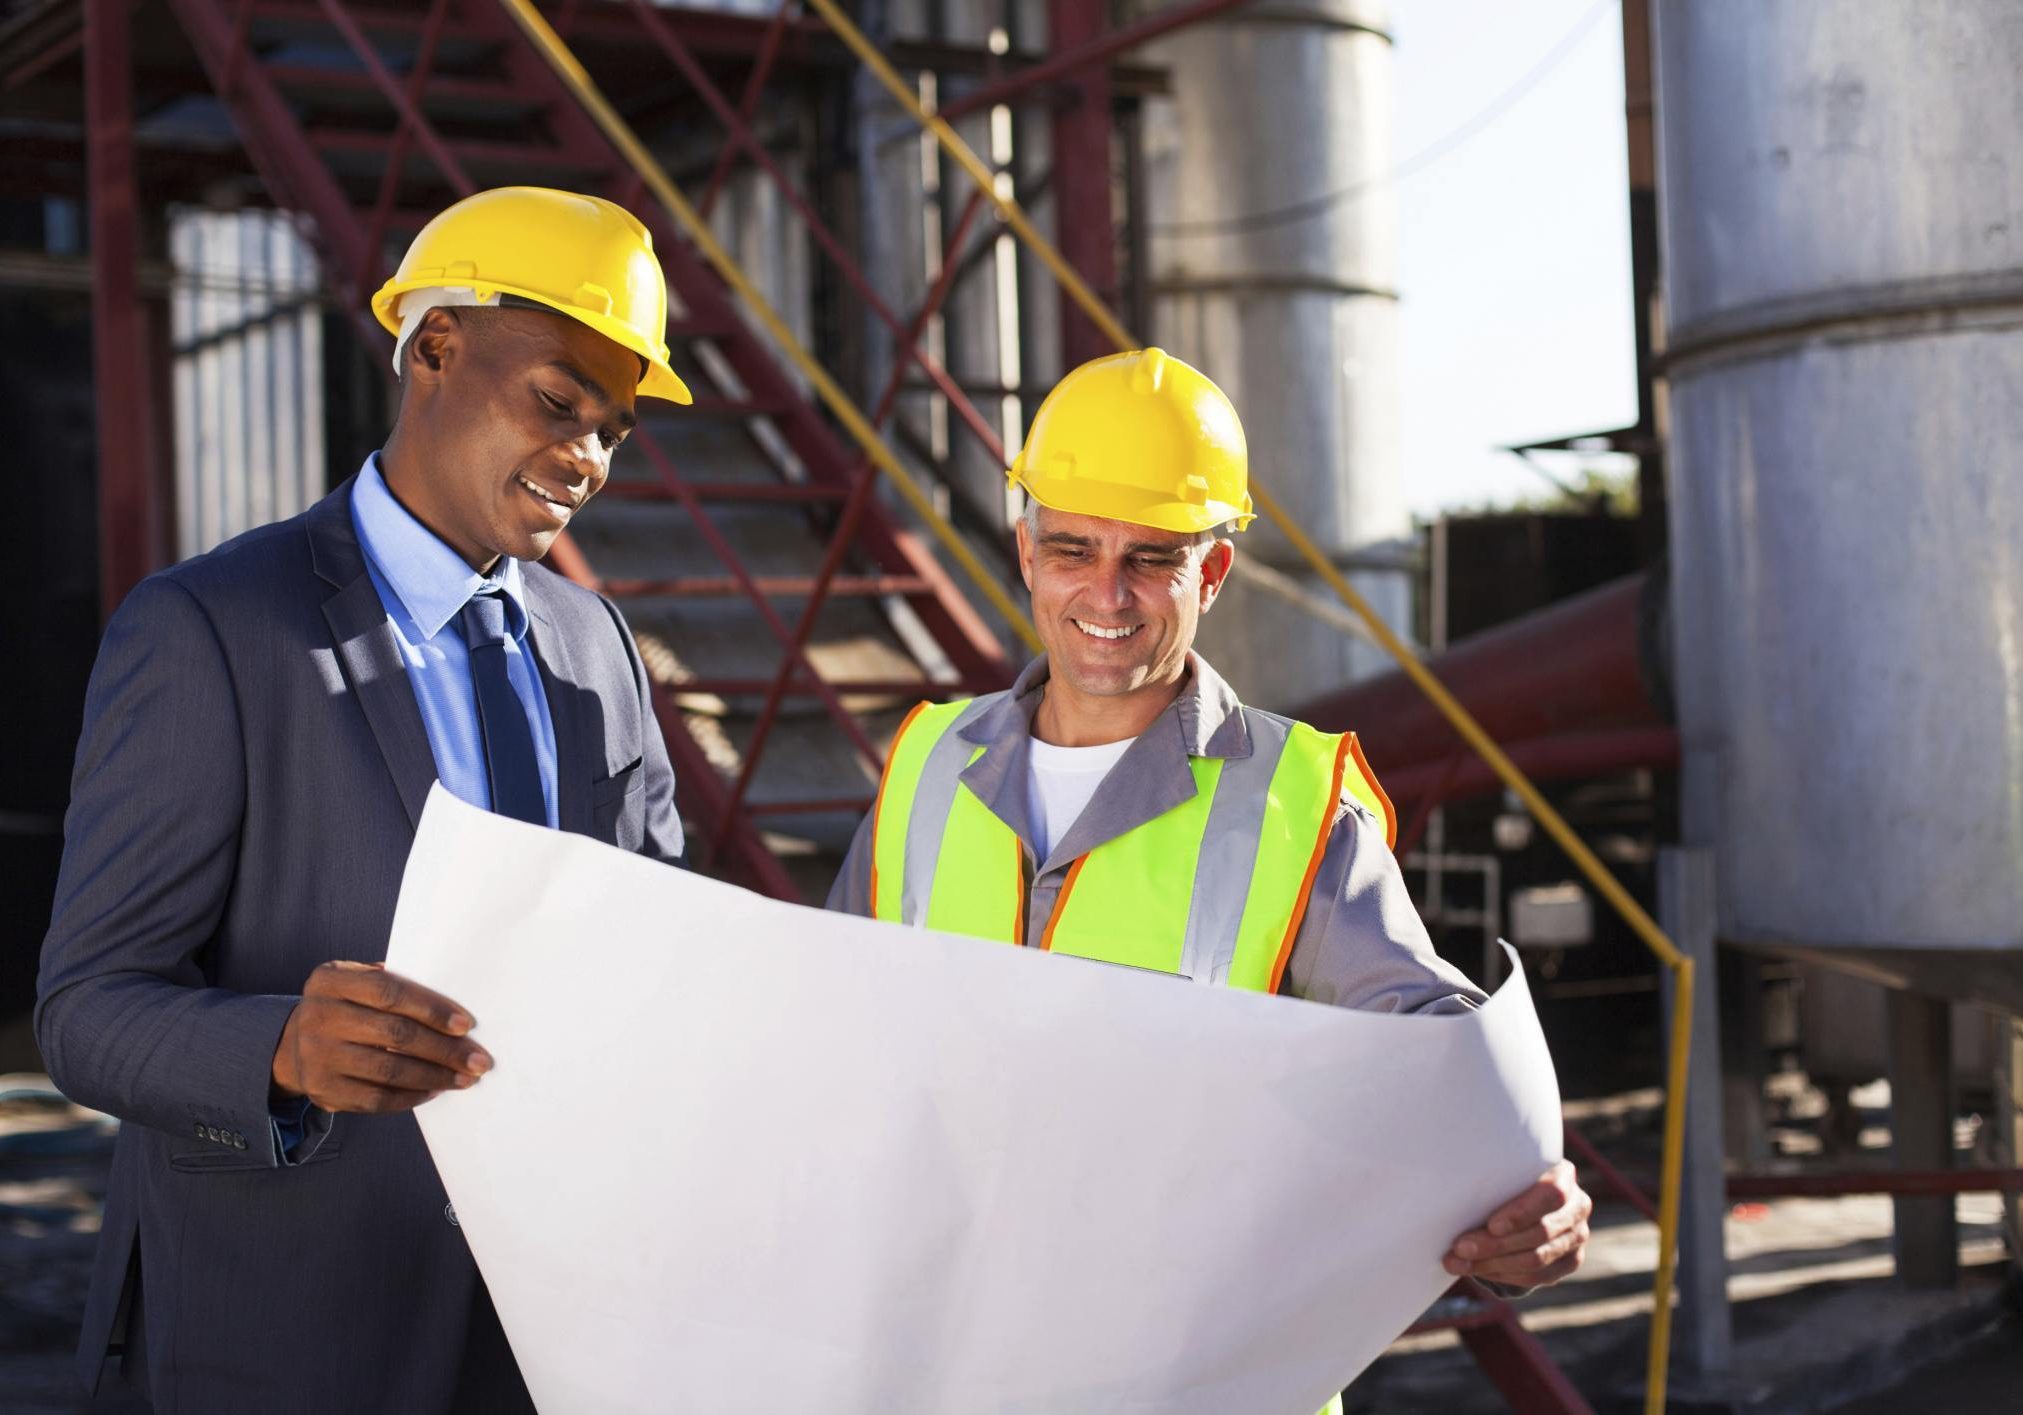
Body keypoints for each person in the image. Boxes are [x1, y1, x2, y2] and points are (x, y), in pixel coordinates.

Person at [828, 349, 1592, 1408]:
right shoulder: (922, 767)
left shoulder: (1296, 805)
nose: (1105, 592)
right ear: (1024, 549)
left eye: (1151, 556)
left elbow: (1443, 1069)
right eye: (1071, 548)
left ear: (1213, 573)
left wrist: (1526, 1206)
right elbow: (830, 1040)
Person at [36, 186, 689, 1412]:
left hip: (555, 1327)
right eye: (559, 403)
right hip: (294, 1329)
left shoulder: (597, 645)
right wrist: (279, 1049)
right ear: (434, 348)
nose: (589, 459)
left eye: (613, 428)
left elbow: (651, 942)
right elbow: (84, 1006)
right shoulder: (215, 631)